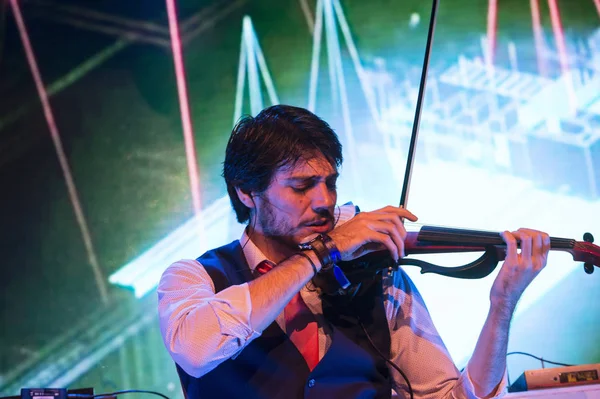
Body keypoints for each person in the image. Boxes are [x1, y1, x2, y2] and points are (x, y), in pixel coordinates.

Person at [158, 104, 551, 398]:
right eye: (301, 186)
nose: (325, 201)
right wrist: (319, 255)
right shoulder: (192, 277)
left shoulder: (372, 272)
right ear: (247, 192)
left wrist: (502, 306)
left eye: (330, 183)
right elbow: (196, 348)